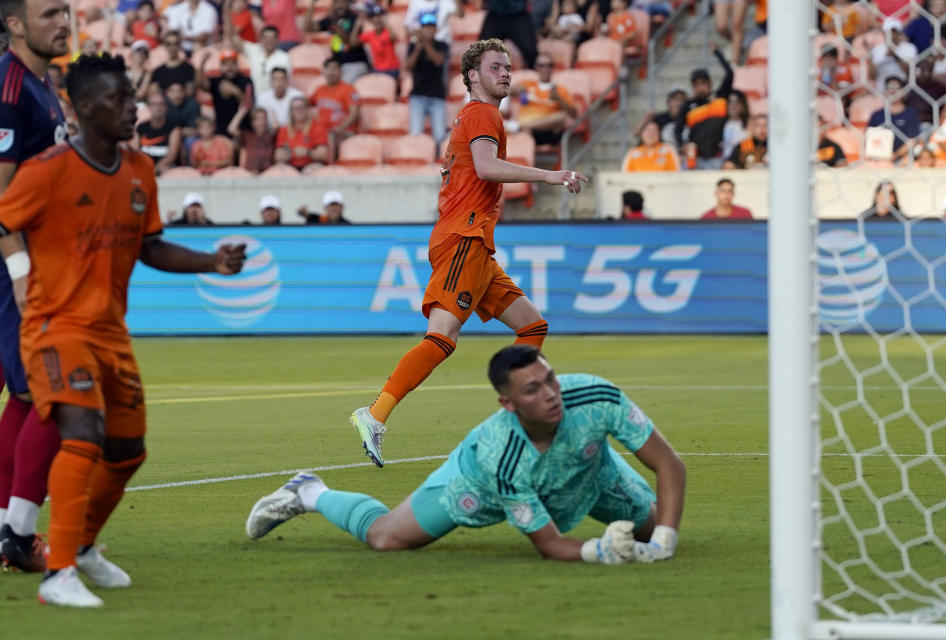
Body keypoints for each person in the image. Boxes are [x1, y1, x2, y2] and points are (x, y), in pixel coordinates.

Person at [0, 53, 245, 607]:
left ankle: (82, 546)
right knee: (82, 433)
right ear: (84, 108)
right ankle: (56, 573)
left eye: (132, 96)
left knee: (128, 449)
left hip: (110, 331)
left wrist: (213, 263)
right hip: (53, 326)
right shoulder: (47, 172)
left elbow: (151, 245)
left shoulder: (140, 170)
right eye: (118, 99)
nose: (132, 108)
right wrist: (20, 273)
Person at [348, 38, 588, 468]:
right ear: (473, 75)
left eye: (508, 67)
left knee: (532, 327)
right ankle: (375, 414)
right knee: (442, 337)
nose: (506, 73)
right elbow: (486, 167)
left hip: (474, 242)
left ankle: (516, 422)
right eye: (496, 67)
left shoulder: (478, 114)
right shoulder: (480, 113)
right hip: (464, 237)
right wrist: (551, 175)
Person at [248, 345, 687, 568]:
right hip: (478, 484)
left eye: (551, 379)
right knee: (386, 538)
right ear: (508, 405)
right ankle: (309, 491)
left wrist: (666, 538)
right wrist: (597, 551)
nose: (552, 394)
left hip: (591, 473)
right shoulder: (501, 453)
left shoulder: (595, 394)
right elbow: (549, 544)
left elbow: (669, 463)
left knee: (652, 529)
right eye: (533, 389)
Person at [0, 0, 71, 573]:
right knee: (49, 394)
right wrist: (22, 274)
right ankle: (16, 534)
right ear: (15, 24)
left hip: (31, 264)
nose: (64, 21)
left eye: (67, 11)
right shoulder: (11, 86)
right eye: (50, 13)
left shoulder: (45, 85)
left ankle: (10, 531)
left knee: (29, 396)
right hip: (14, 268)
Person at [675, 45, 734, 170]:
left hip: (717, 156)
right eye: (697, 84)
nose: (700, 87)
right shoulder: (688, 105)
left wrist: (718, 53)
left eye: (703, 83)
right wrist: (682, 145)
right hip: (695, 157)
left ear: (710, 83)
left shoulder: (720, 99)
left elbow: (730, 74)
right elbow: (678, 129)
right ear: (692, 86)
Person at [513, 53, 577, 148]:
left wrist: (559, 99)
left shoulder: (560, 90)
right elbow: (505, 92)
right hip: (529, 130)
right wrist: (516, 89)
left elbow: (574, 114)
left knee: (561, 117)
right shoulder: (527, 84)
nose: (545, 69)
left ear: (553, 68)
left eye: (549, 65)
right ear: (536, 68)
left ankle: (523, 126)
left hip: (548, 132)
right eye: (541, 65)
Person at [406, 12, 448, 148]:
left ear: (436, 29)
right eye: (426, 27)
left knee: (440, 136)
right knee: (415, 134)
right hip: (418, 95)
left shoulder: (442, 45)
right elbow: (408, 67)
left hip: (437, 96)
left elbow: (438, 61)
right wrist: (418, 48)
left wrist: (424, 44)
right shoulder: (413, 46)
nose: (429, 29)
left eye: (431, 27)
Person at [224, 15, 291, 96]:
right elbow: (233, 38)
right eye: (266, 38)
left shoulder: (284, 57)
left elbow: (285, 82)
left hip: (274, 99)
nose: (269, 41)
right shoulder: (254, 50)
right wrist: (227, 11)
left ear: (278, 40)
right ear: (261, 39)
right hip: (255, 97)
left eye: (272, 38)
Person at [306, 0, 369, 84]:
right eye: (337, 2)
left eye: (343, 2)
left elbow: (348, 42)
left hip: (356, 63)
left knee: (342, 85)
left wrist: (335, 24)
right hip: (338, 64)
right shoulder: (331, 18)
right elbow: (308, 28)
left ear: (349, 4)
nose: (340, 5)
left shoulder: (354, 18)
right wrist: (312, 5)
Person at [196, 48, 253, 136]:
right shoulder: (216, 81)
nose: (229, 67)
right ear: (221, 66)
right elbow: (200, 84)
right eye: (226, 64)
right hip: (221, 130)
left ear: (236, 65)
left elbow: (249, 104)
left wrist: (235, 91)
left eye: (232, 64)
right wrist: (202, 63)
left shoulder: (245, 80)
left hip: (242, 130)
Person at [309, 58, 358, 157]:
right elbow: (305, 104)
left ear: (340, 71)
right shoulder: (320, 90)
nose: (331, 72)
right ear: (323, 71)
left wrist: (341, 127)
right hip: (323, 131)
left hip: (343, 131)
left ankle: (332, 167)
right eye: (328, 69)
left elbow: (355, 113)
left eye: (335, 69)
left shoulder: (348, 89)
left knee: (330, 137)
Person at [867, 74, 920, 160]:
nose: (893, 91)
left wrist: (895, 155)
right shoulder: (876, 115)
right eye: (889, 88)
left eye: (896, 88)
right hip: (878, 158)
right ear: (884, 91)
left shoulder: (910, 113)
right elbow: (870, 138)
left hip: (902, 158)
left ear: (903, 92)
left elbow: (913, 139)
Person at [132, 88, 181, 174]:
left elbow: (171, 156)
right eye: (154, 104)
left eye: (161, 104)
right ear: (149, 107)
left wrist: (155, 169)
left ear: (166, 107)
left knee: (165, 169)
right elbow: (135, 151)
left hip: (163, 167)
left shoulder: (174, 128)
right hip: (144, 166)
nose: (158, 107)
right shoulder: (141, 127)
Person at [480, 0, 538, 69]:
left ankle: (536, 77)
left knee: (531, 53)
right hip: (495, 16)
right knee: (481, 51)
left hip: (519, 15)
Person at [274, 96, 328, 169]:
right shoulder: (284, 130)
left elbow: (324, 154)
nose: (299, 110)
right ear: (291, 112)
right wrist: (285, 155)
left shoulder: (317, 127)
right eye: (295, 108)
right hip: (290, 165)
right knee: (279, 169)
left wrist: (307, 152)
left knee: (313, 169)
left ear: (307, 109)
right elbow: (277, 155)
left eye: (302, 107)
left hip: (311, 164)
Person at [145, 30, 195, 96]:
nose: (172, 47)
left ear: (180, 45)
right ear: (165, 46)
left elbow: (190, 93)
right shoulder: (158, 71)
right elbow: (153, 94)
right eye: (169, 44)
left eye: (176, 43)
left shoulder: (188, 68)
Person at [358, 5, 401, 79]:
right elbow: (352, 43)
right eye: (375, 17)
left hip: (392, 69)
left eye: (380, 16)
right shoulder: (370, 35)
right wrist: (357, 24)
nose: (378, 19)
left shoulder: (388, 32)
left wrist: (386, 23)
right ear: (371, 20)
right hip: (377, 69)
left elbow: (394, 38)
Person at [233, 106, 275, 173]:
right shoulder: (247, 135)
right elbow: (232, 129)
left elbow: (276, 126)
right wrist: (242, 111)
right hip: (249, 171)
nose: (261, 121)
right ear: (252, 122)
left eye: (263, 118)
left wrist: (270, 110)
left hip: (267, 172)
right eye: (257, 119)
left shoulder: (270, 135)